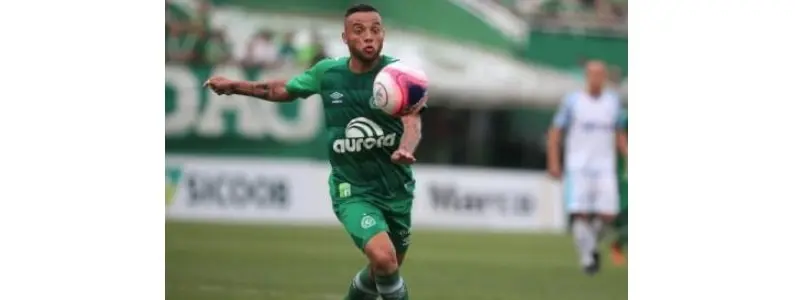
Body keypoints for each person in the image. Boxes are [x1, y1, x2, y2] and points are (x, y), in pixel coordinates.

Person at [204, 4, 420, 300]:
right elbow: (281, 90)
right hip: (353, 189)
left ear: (383, 34)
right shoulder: (328, 73)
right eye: (359, 31)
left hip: (397, 190)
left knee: (383, 268)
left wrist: (406, 148)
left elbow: (412, 121)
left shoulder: (397, 75)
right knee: (384, 259)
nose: (368, 37)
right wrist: (235, 86)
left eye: (375, 30)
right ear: (344, 38)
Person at [547, 60, 628, 275]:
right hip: (578, 166)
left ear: (605, 78)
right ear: (587, 77)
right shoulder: (573, 101)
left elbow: (620, 133)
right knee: (580, 212)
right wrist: (554, 161)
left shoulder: (613, 102)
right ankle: (587, 259)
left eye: (601, 75)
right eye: (593, 75)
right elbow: (556, 132)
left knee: (608, 215)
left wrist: (628, 155)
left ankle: (589, 246)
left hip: (604, 166)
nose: (597, 79)